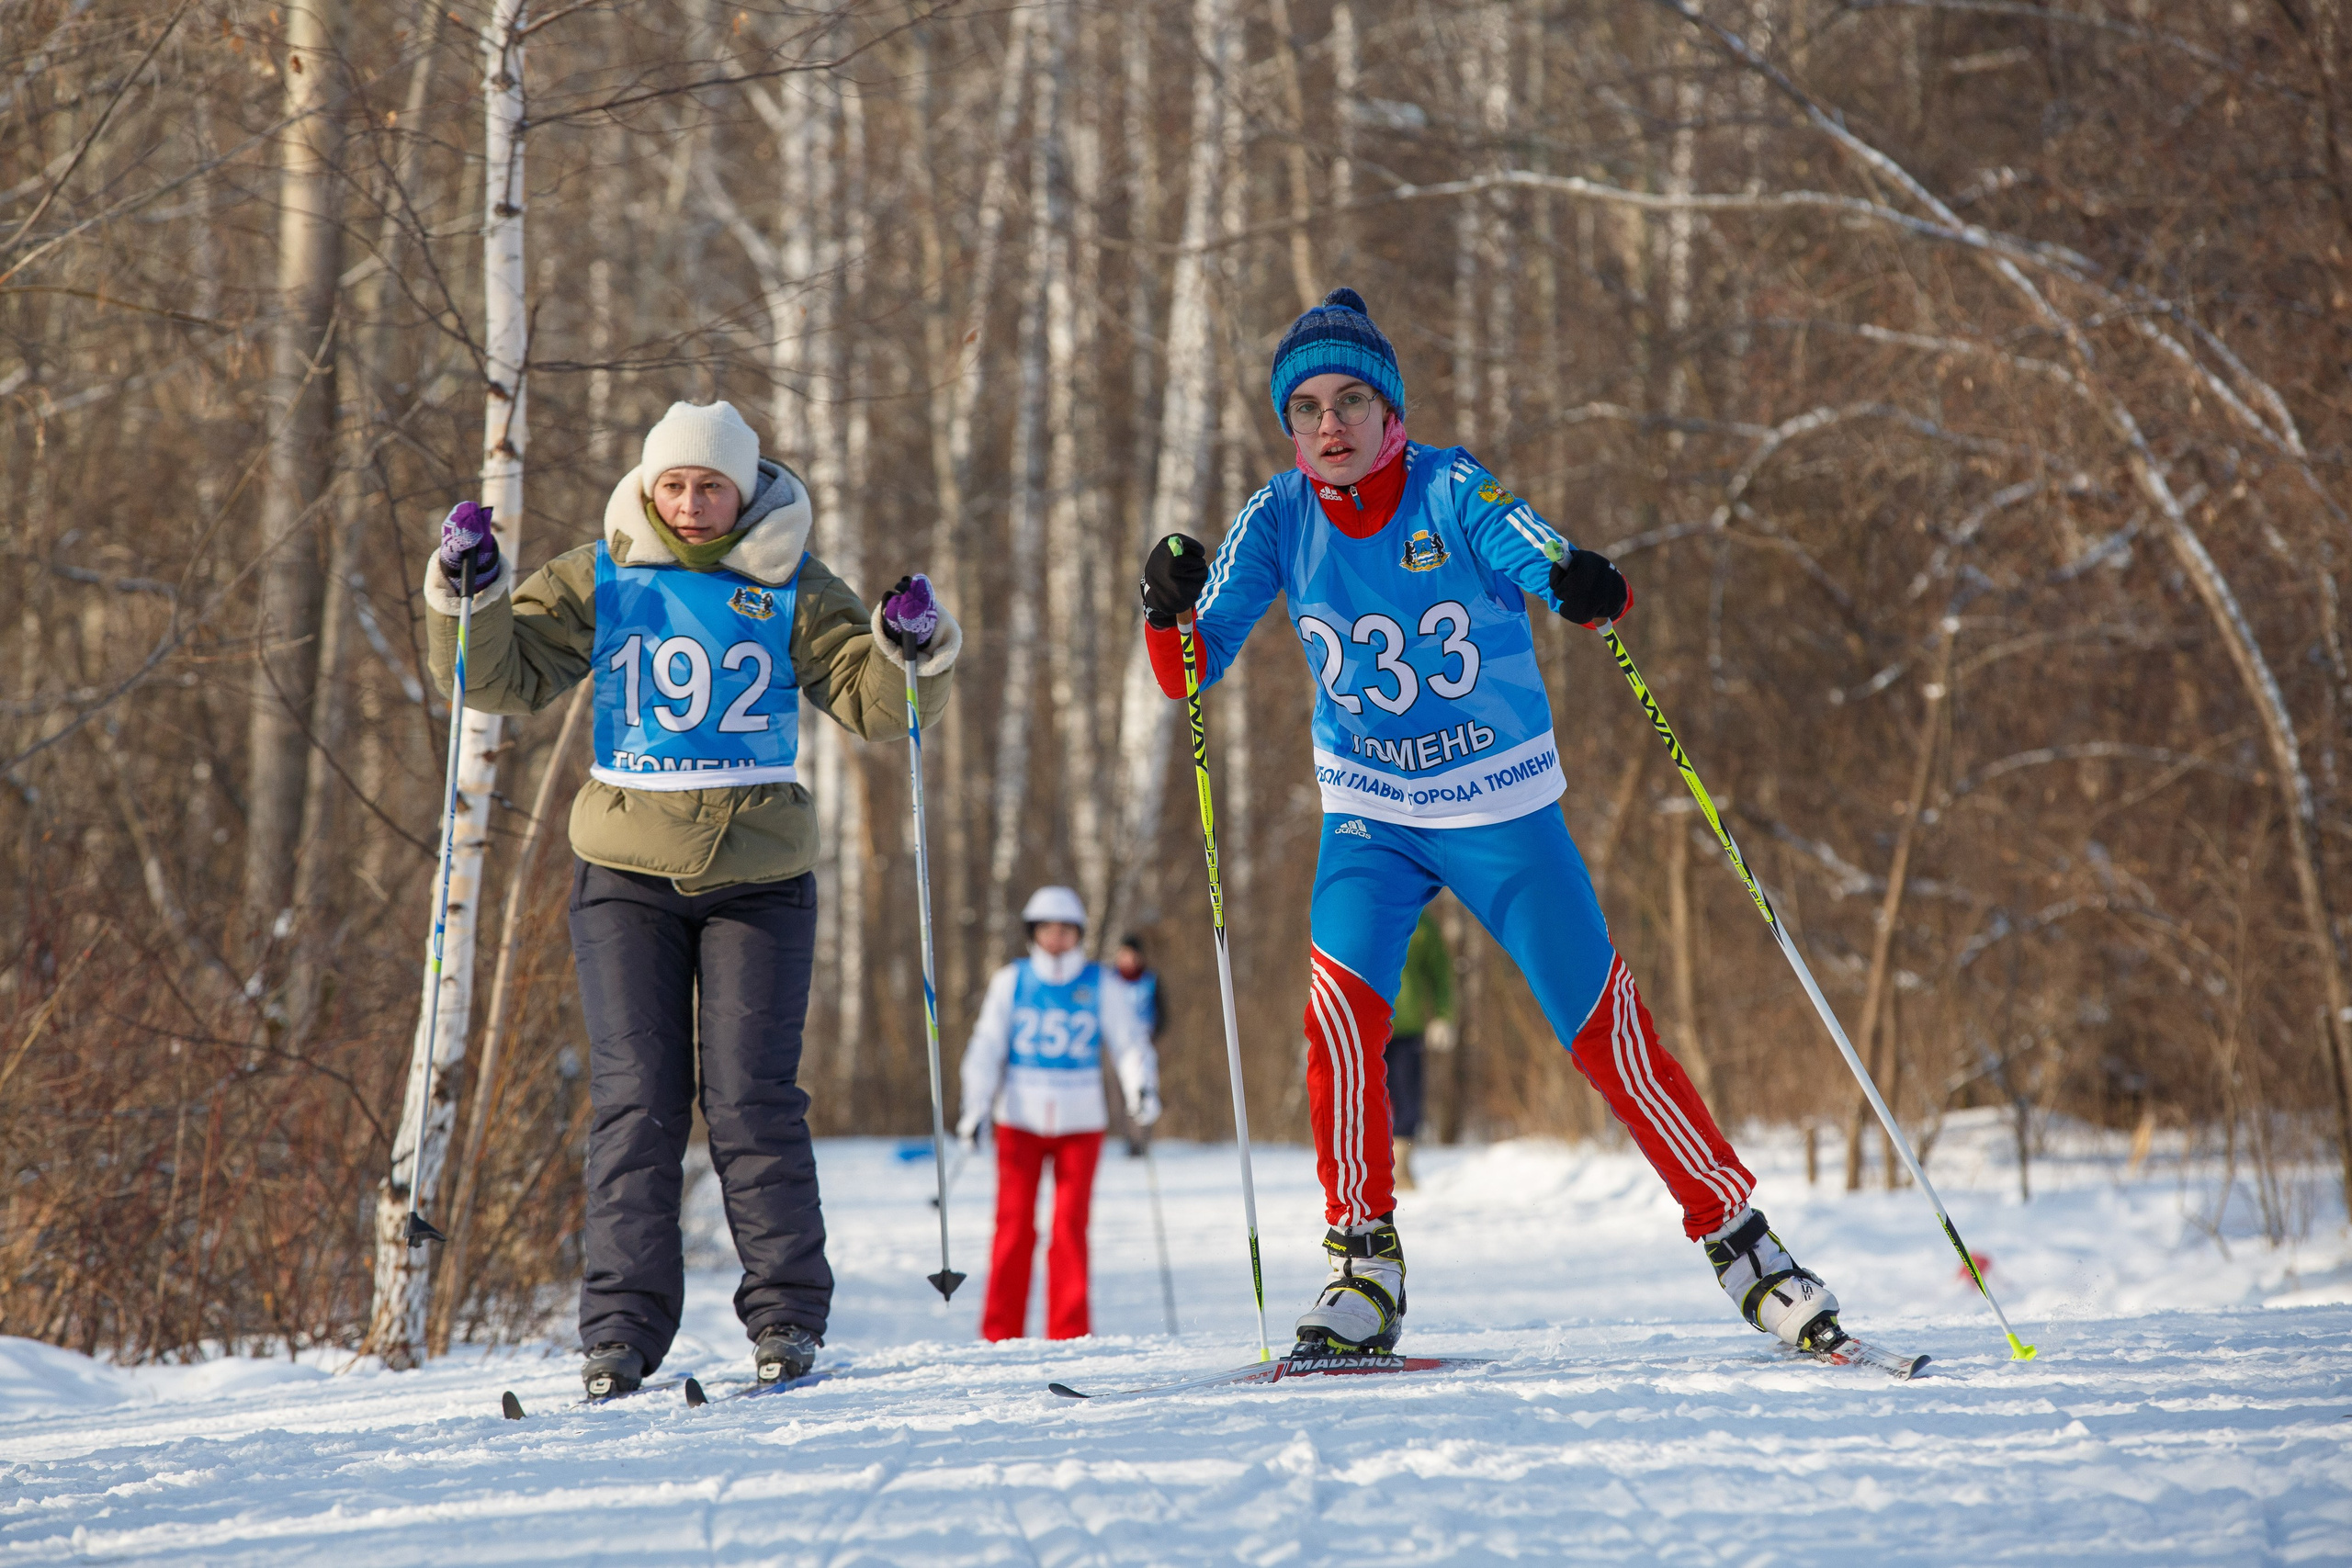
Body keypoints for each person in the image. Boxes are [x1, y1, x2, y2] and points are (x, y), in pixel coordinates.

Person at [1134, 288, 1841, 1359]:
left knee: (1604, 1030)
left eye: (1352, 402)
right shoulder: (1277, 515)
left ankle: (1743, 1241)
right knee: (1337, 1017)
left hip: (1498, 806)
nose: (1330, 426)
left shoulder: (1450, 487)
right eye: (1307, 408)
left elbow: (1534, 551)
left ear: (1392, 411)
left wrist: (1573, 583)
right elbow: (1191, 669)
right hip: (1371, 816)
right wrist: (1165, 606)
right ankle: (1362, 1261)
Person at [423, 400, 961, 1398]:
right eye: (674, 483)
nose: (691, 503)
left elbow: (874, 704)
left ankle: (787, 1318)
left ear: (746, 486)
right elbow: (502, 677)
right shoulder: (604, 569)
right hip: (624, 875)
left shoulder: (791, 576)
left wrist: (907, 646)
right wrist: (472, 591)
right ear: (648, 485)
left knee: (753, 1102)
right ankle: (618, 1333)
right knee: (636, 1105)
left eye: (710, 485)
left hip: (758, 877)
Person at [956, 886, 1159, 1340]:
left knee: (1069, 1229)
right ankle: (999, 1332)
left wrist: (1140, 1086)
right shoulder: (1012, 980)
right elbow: (986, 1047)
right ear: (1033, 933)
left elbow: (1129, 1042)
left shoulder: (1099, 982)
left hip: (1080, 1123)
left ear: (1078, 934)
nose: (1055, 939)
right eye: (1046, 930)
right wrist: (975, 1107)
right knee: (1013, 1227)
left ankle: (1069, 1333)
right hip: (1019, 1120)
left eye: (1065, 930)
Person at [1385, 907, 1454, 1192]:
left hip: (1408, 1027)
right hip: (1365, 1027)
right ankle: (1366, 1172)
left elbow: (1441, 974)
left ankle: (1400, 1168)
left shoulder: (1422, 925)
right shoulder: (1364, 910)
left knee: (1409, 1101)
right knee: (1365, 1100)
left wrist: (1444, 1015)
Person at [1112, 933, 1161, 1157]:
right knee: (1121, 1092)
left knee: (1144, 1089)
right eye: (1124, 955)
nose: (1128, 960)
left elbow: (1161, 1012)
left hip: (1143, 1043)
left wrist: (1154, 1035)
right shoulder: (1110, 980)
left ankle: (1142, 1139)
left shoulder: (1149, 980)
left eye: (1132, 955)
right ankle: (1128, 1139)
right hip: (1117, 1046)